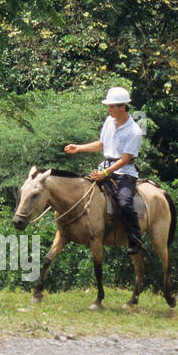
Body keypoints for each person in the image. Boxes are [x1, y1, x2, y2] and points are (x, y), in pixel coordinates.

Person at [64, 85, 145, 255]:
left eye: (111, 106)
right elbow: (101, 145)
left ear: (122, 107)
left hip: (125, 172)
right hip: (105, 167)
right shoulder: (109, 121)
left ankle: (135, 239)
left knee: (124, 203)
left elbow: (125, 159)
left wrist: (105, 174)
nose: (108, 109)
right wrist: (78, 148)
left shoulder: (134, 131)